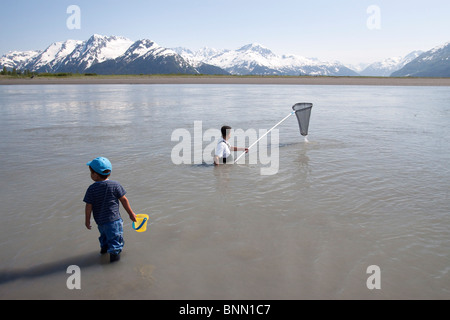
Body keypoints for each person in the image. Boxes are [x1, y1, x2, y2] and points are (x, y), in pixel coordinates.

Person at [83, 157, 137, 263]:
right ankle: (114, 263)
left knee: (104, 237)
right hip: (114, 221)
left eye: (91, 172)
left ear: (95, 175)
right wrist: (131, 213)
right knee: (115, 242)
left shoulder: (91, 189)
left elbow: (88, 206)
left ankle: (103, 252)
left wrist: (87, 220)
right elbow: (124, 200)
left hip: (100, 221)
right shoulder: (115, 185)